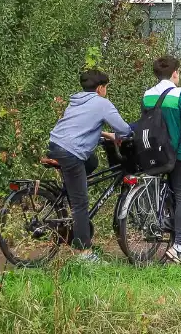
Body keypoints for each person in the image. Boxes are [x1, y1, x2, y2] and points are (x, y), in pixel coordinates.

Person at [47, 69, 132, 262]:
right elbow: (124, 129)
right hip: (71, 152)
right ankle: (84, 254)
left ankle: (69, 193)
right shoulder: (102, 103)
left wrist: (105, 135)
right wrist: (121, 135)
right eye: (106, 88)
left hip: (55, 145)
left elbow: (78, 125)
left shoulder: (76, 100)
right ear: (101, 88)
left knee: (92, 161)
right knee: (80, 204)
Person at [143, 56, 181, 264]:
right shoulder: (179, 94)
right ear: (175, 73)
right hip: (179, 154)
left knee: (168, 195)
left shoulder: (147, 95)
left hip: (155, 154)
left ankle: (170, 229)